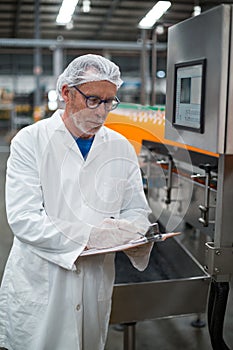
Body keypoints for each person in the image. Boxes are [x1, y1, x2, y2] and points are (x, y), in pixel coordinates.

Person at [0, 54, 153, 350]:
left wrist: (134, 233)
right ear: (67, 93)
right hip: (43, 281)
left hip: (95, 281)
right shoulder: (30, 141)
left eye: (110, 102)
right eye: (94, 100)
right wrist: (91, 237)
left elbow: (136, 208)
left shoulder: (120, 146)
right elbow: (24, 218)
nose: (102, 112)